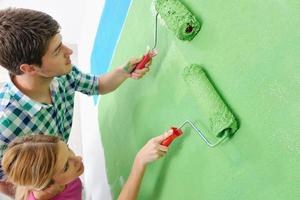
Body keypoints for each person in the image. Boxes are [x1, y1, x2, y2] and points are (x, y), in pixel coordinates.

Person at [0, 7, 153, 198]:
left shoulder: (62, 72)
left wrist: (124, 72)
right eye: (57, 51)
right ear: (30, 68)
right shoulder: (4, 123)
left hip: (63, 176)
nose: (69, 51)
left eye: (61, 43)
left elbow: (97, 85)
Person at [2, 130, 172, 200]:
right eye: (66, 166)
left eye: (68, 150)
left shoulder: (48, 181)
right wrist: (139, 162)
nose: (79, 159)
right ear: (46, 185)